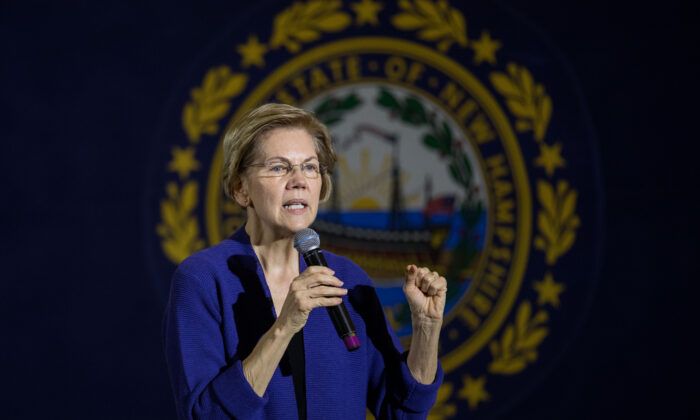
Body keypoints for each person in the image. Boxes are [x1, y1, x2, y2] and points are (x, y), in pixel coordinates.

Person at [163, 103, 447, 419]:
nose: (299, 180)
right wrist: (284, 327)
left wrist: (426, 329)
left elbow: (401, 412)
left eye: (310, 167)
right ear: (241, 189)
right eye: (278, 167)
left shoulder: (349, 280)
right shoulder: (203, 279)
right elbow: (204, 416)